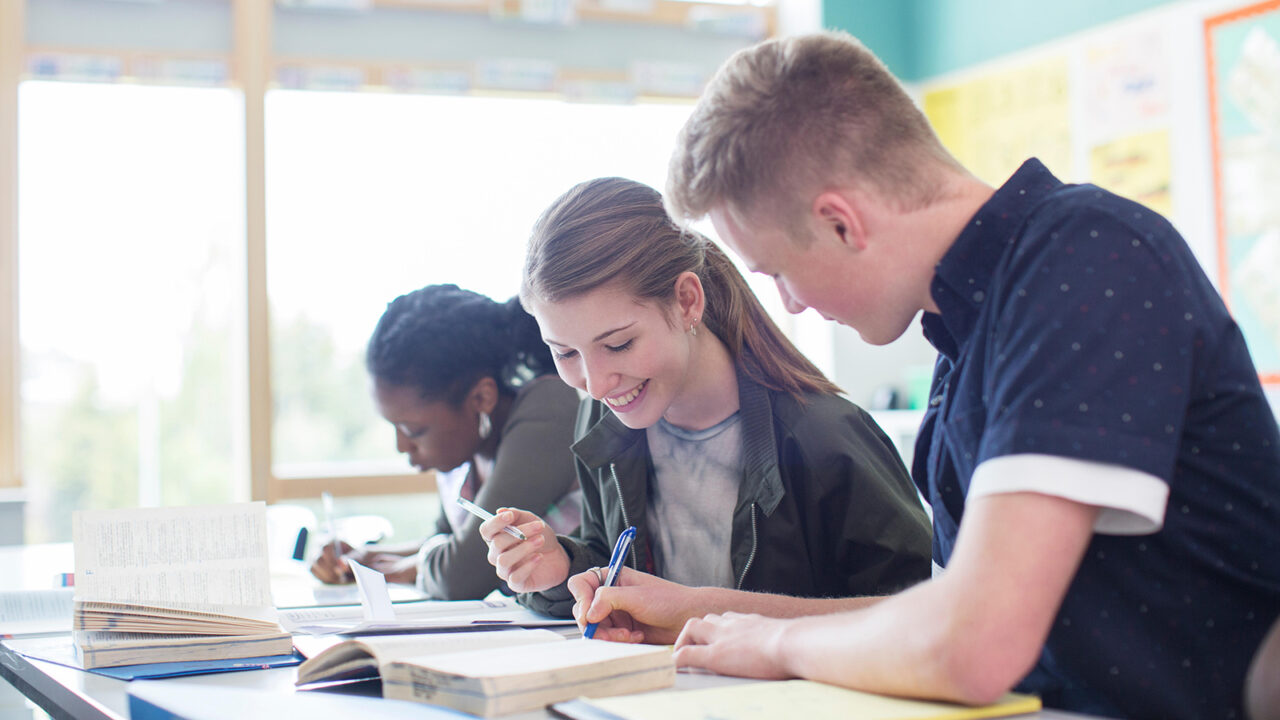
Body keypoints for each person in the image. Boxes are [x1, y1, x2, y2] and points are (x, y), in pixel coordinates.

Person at [654, 30, 1280, 720]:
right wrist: (745, 628)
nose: (791, 304)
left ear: (841, 224)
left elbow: (970, 646)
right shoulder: (971, 325)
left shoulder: (1085, 259)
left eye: (777, 273)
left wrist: (779, 646)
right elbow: (941, 612)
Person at [478, 176, 933, 644]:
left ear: (687, 301)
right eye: (565, 353)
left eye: (618, 344)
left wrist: (707, 613)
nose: (595, 384)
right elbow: (613, 563)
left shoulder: (826, 436)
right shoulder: (605, 419)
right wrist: (562, 571)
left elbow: (926, 617)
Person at [310, 284, 582, 600]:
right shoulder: (467, 446)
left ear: (481, 397)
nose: (401, 446)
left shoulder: (547, 412)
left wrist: (377, 571)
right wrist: (363, 557)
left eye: (413, 430)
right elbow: (447, 540)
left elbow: (463, 575)